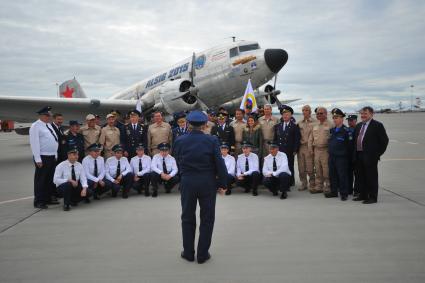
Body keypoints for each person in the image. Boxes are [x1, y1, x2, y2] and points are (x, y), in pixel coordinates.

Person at [173, 110, 227, 264]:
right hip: (207, 183)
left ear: (189, 124)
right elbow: (219, 164)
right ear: (204, 125)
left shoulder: (180, 140)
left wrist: (184, 177)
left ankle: (188, 253)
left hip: (188, 182)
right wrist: (222, 184)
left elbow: (177, 161)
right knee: (207, 218)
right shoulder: (212, 140)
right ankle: (202, 254)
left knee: (187, 217)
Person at [353, 106, 388, 204]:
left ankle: (372, 197)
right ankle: (363, 195)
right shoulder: (359, 125)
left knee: (371, 177)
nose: (363, 115)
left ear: (372, 114)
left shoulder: (377, 125)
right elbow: (355, 141)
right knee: (360, 177)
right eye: (362, 114)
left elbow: (384, 141)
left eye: (365, 113)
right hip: (359, 155)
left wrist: (377, 154)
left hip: (370, 157)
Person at [29, 106, 59, 209]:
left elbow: (54, 140)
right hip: (42, 156)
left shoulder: (48, 125)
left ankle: (47, 198)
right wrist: (37, 158)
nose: (49, 117)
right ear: (41, 115)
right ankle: (39, 201)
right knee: (41, 180)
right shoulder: (35, 126)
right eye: (47, 115)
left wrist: (55, 154)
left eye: (49, 115)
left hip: (51, 156)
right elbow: (34, 143)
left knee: (49, 179)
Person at [325, 108, 353, 201]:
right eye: (333, 117)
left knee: (342, 176)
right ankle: (334, 192)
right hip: (332, 157)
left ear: (342, 118)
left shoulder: (346, 131)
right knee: (332, 175)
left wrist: (348, 158)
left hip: (341, 158)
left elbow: (350, 147)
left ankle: (344, 193)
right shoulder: (332, 130)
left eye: (336, 117)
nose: (334, 119)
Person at [53, 146, 89, 211]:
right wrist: (69, 180)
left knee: (89, 192)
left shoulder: (79, 165)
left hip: (75, 187)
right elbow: (55, 180)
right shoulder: (61, 165)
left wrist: (84, 189)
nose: (76, 156)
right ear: (68, 155)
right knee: (68, 184)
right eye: (74, 155)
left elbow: (83, 179)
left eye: (77, 154)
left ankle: (73, 200)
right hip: (62, 188)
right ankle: (66, 204)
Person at [274, 105, 300, 187]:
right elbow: (275, 139)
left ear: (291, 115)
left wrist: (295, 150)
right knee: (279, 165)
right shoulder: (278, 126)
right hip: (280, 150)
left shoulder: (294, 126)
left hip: (289, 150)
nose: (285, 116)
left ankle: (290, 182)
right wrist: (275, 148)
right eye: (283, 114)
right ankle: (280, 181)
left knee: (289, 165)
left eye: (287, 114)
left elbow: (297, 139)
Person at [308, 107, 332, 194]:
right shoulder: (315, 124)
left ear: (326, 114)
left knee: (326, 170)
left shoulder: (330, 124)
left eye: (321, 113)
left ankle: (328, 186)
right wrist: (310, 149)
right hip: (316, 150)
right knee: (317, 169)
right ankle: (319, 186)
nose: (319, 115)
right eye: (318, 113)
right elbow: (311, 138)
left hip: (326, 150)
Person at [297, 105, 316, 191]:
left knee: (310, 167)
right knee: (301, 167)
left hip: (310, 147)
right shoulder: (299, 123)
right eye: (303, 110)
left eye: (306, 110)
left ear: (310, 112)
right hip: (301, 147)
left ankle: (312, 183)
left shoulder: (315, 122)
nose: (304, 112)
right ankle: (303, 183)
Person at [346, 114, 358, 196]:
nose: (349, 122)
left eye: (351, 120)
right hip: (348, 156)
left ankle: (357, 190)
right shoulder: (346, 130)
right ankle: (349, 189)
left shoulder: (359, 129)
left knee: (357, 174)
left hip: (356, 155)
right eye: (348, 120)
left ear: (355, 120)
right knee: (349, 174)